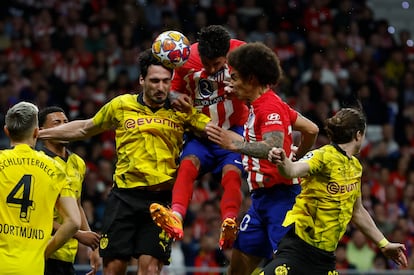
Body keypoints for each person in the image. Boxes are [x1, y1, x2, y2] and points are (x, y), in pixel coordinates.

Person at [38, 49, 211, 275]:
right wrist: (38, 135)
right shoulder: (122, 105)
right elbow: (84, 127)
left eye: (166, 81)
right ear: (141, 79)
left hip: (161, 201)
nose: (161, 87)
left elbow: (212, 133)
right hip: (124, 198)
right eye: (155, 81)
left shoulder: (182, 111)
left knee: (149, 269)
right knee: (114, 268)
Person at [205, 42, 319, 275]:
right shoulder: (262, 103)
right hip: (260, 202)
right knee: (237, 269)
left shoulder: (269, 108)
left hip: (283, 201)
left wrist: (234, 143)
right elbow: (312, 129)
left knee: (289, 269)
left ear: (252, 78)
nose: (231, 82)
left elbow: (273, 145)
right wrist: (297, 154)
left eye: (235, 77)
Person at [260, 107, 408, 274]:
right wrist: (282, 161)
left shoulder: (355, 166)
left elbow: (357, 211)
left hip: (325, 258)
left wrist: (384, 244)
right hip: (299, 249)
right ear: (358, 135)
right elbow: (293, 170)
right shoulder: (323, 155)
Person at [150, 24, 249, 249]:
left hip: (232, 130)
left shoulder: (243, 54)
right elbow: (171, 89)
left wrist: (242, 87)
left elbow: (266, 79)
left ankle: (229, 222)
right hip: (200, 132)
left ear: (228, 54)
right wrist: (174, 96)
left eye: (218, 63)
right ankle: (176, 217)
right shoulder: (186, 59)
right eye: (207, 63)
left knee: (232, 174)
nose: (212, 69)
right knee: (186, 167)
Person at [0, 101, 80, 275]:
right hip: (33, 267)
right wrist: (44, 253)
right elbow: (74, 222)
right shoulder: (56, 169)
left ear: (7, 131)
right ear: (37, 132)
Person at [38, 106, 101, 275]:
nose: (64, 126)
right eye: (56, 123)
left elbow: (77, 205)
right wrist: (78, 234)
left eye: (66, 122)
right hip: (43, 251)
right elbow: (37, 215)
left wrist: (93, 246)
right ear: (42, 131)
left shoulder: (77, 162)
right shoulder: (38, 163)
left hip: (67, 255)